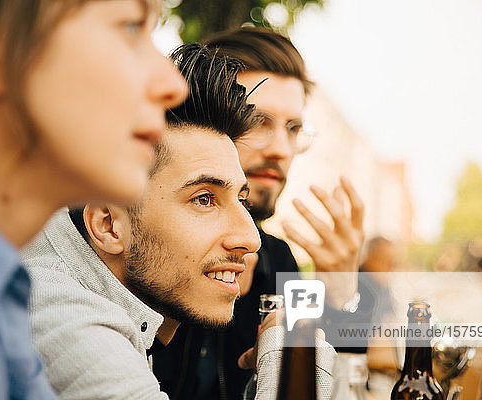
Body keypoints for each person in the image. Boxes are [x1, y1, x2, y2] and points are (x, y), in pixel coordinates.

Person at [22, 43, 337, 399]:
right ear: (108, 224)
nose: (251, 239)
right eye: (204, 199)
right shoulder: (63, 319)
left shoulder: (131, 294)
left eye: (241, 199)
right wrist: (293, 368)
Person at [0, 0, 186, 398]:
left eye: (243, 198)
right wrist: (295, 340)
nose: (173, 86)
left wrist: (312, 293)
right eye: (130, 28)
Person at [153, 27, 365, 400]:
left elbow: (328, 380)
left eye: (294, 128)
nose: (281, 149)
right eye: (257, 120)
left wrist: (342, 295)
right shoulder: (143, 244)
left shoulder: (280, 259)